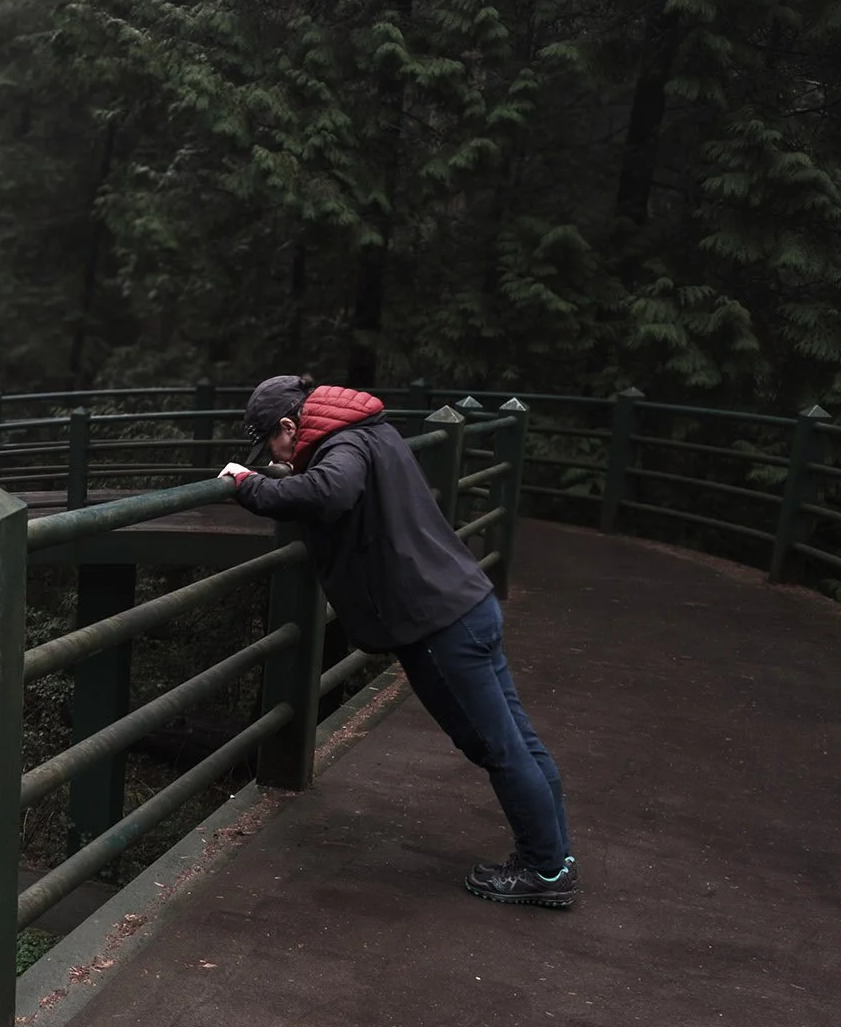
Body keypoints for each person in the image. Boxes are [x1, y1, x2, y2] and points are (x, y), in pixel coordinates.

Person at [220, 375, 576, 909]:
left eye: (271, 442)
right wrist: (280, 474)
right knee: (515, 738)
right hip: (465, 602)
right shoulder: (369, 432)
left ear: (290, 427)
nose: (274, 454)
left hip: (437, 623)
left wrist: (249, 485)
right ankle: (555, 856)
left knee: (496, 746)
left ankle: (545, 870)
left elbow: (330, 491)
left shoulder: (340, 448)